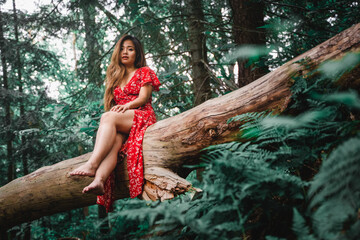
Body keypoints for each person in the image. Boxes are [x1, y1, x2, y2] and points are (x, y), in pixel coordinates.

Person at [69, 35, 161, 212]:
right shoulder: (115, 77)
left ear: (138, 53)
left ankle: (92, 164)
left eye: (130, 49)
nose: (125, 52)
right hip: (123, 121)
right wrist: (119, 111)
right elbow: (111, 105)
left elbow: (143, 98)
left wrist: (125, 106)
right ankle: (99, 180)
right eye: (122, 48)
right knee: (113, 145)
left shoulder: (144, 72)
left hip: (142, 115)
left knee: (107, 117)